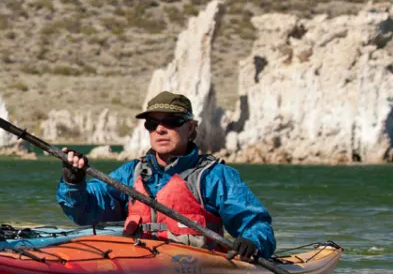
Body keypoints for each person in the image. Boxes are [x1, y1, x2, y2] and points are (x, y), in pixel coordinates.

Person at [57, 91, 276, 261]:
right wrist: (73, 181)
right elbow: (84, 211)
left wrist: (252, 242)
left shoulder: (215, 176)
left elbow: (256, 223)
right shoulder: (130, 173)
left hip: (196, 268)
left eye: (171, 122)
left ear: (190, 128)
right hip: (137, 263)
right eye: (152, 124)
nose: (160, 129)